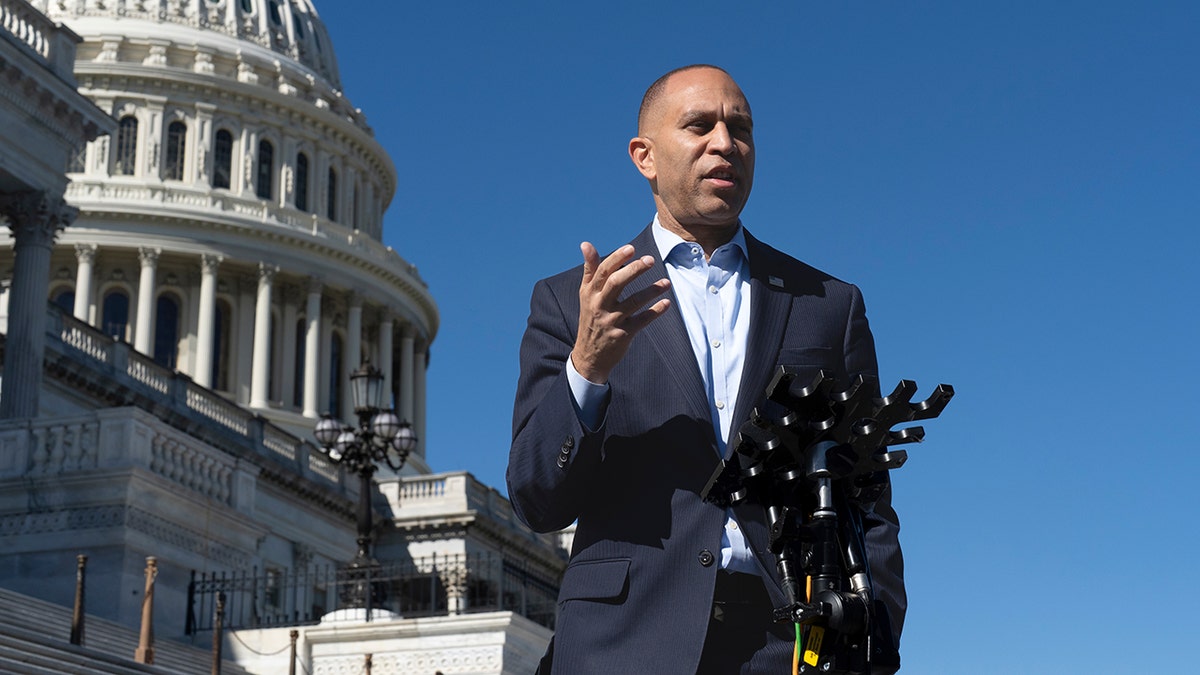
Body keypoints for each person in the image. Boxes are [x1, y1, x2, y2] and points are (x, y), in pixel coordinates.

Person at [507, 64, 905, 674]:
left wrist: (873, 644)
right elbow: (538, 500)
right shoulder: (573, 301)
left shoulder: (828, 304)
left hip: (789, 646)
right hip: (624, 643)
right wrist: (586, 368)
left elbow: (867, 500)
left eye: (740, 129)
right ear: (645, 156)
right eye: (699, 126)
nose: (725, 143)